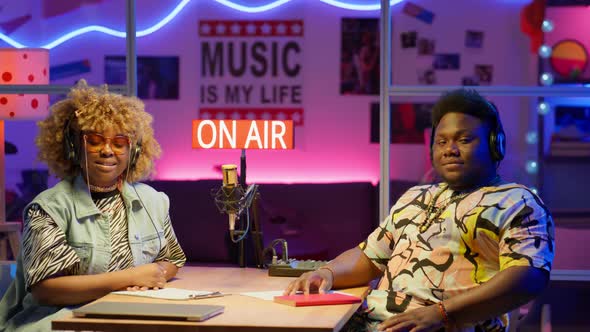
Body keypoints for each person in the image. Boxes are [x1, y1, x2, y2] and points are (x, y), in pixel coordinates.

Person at [285, 89, 554, 332]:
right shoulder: (416, 197)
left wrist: (442, 314)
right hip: (367, 320)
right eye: (441, 141)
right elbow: (369, 257)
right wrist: (327, 273)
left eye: (464, 139)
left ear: (496, 145)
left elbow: (528, 278)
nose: (450, 150)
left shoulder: (518, 202)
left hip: (445, 326)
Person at [0, 80, 186, 331]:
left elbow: (172, 258)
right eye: (95, 140)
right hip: (58, 322)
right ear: (74, 146)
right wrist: (131, 277)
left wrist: (158, 272)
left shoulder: (153, 200)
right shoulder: (48, 208)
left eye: (119, 143)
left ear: (134, 149)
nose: (108, 151)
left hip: (127, 316)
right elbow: (46, 290)